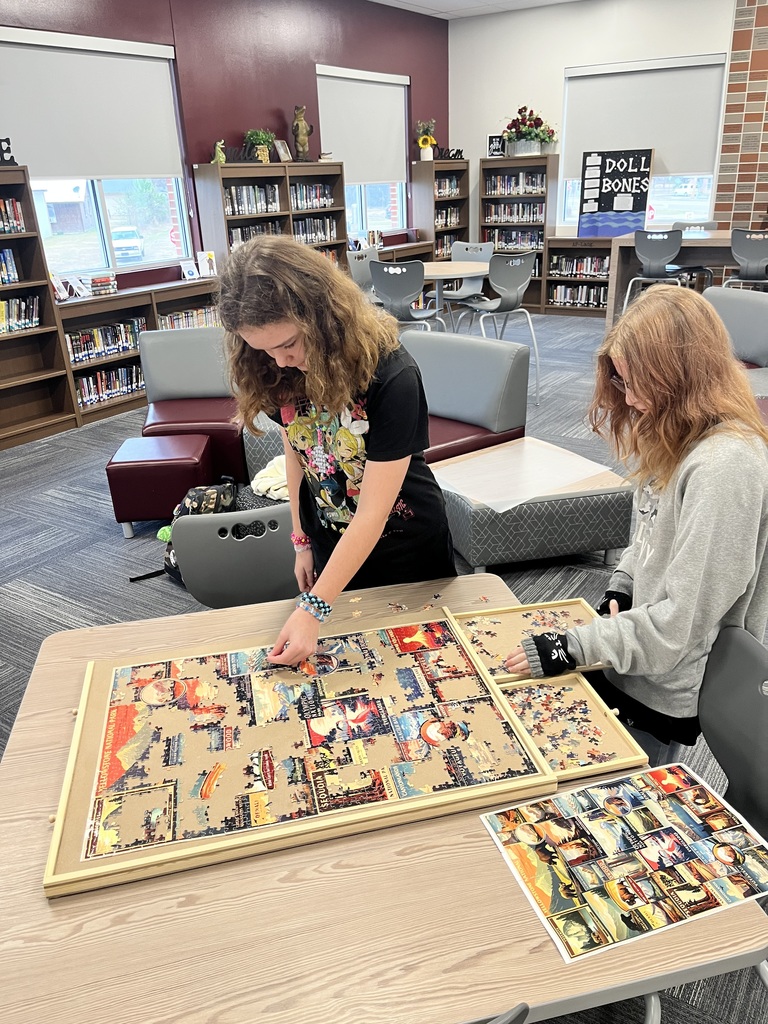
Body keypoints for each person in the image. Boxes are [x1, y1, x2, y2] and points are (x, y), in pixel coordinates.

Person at [503, 285, 768, 766]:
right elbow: (648, 535)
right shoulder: (675, 428)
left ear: (682, 377)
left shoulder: (726, 465)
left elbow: (679, 629)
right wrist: (622, 586)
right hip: (628, 653)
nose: (633, 399)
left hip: (666, 683)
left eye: (640, 382)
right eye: (624, 382)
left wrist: (573, 646)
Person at [218, 235, 456, 666]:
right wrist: (300, 539)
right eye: (265, 350)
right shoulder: (276, 368)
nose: (281, 360)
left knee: (417, 667)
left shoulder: (391, 374)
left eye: (289, 343)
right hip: (331, 542)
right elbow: (297, 448)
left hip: (404, 547)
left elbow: (372, 513)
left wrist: (313, 609)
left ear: (323, 317)